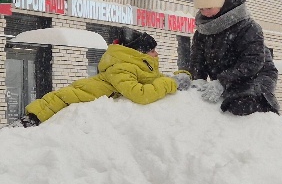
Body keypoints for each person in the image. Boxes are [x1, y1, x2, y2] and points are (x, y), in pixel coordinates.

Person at [15, 28, 182, 127]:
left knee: (59, 98)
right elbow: (139, 94)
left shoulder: (135, 66)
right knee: (58, 100)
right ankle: (29, 120)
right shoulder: (122, 68)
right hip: (77, 96)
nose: (156, 54)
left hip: (79, 93)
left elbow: (154, 79)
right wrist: (169, 84)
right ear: (139, 53)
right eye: (152, 50)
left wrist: (179, 78)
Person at [181, 0, 280, 116]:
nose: (205, 13)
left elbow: (253, 62)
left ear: (221, 3)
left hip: (256, 77)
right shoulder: (202, 31)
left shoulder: (249, 28)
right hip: (227, 79)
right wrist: (195, 78)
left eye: (209, 8)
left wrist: (222, 81)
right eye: (201, 9)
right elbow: (197, 60)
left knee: (238, 105)